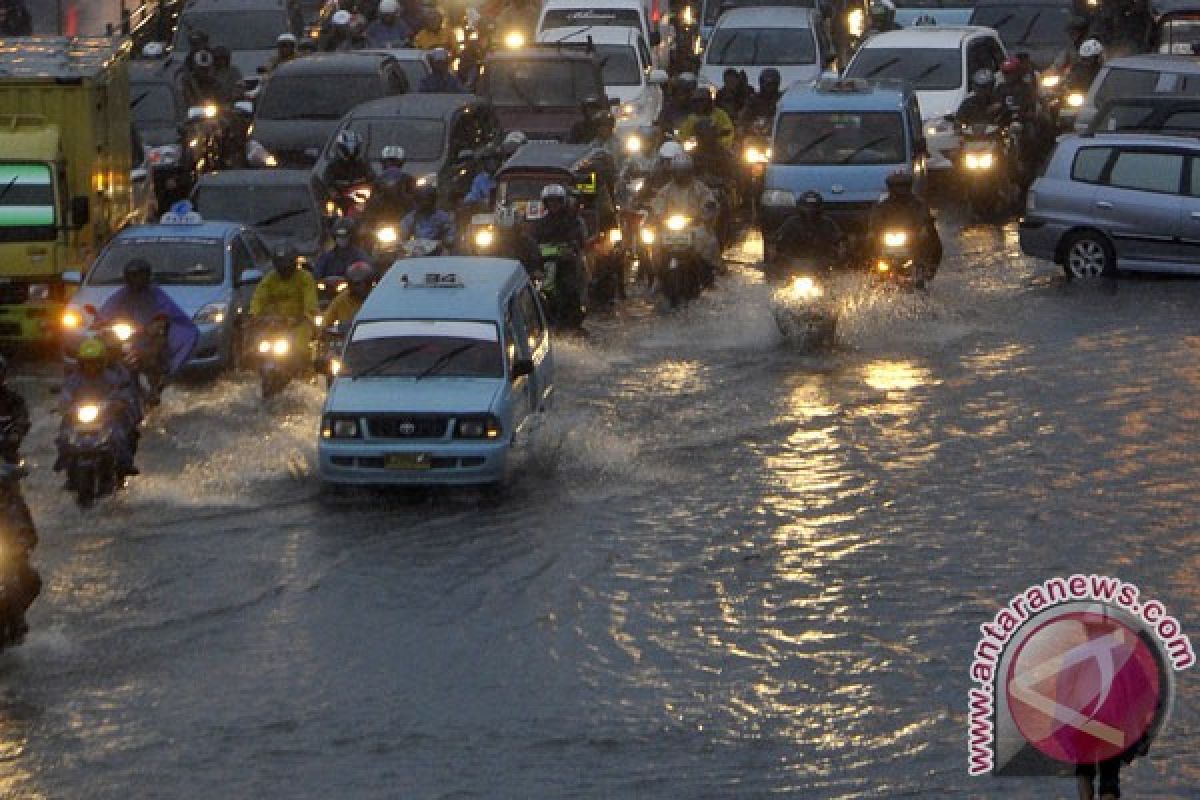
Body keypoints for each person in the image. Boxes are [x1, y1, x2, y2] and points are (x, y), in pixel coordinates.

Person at [97, 259, 200, 383]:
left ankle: (157, 380)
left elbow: (165, 310)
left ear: (146, 276)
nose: (135, 280)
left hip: (149, 334)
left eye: (138, 276)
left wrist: (157, 322)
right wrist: (100, 320)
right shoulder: (123, 293)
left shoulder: (155, 293)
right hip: (129, 333)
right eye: (132, 276)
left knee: (156, 348)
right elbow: (108, 307)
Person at [57, 338, 142, 480]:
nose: (91, 366)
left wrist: (118, 403)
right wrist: (65, 406)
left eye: (95, 361)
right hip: (78, 419)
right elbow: (65, 395)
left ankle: (125, 464)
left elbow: (122, 393)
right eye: (87, 362)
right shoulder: (74, 379)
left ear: (102, 361)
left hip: (106, 418)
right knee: (64, 434)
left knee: (118, 435)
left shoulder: (112, 378)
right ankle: (64, 459)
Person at [649, 153, 721, 279]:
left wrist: (707, 210)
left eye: (684, 172)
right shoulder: (666, 190)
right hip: (670, 229)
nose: (680, 175)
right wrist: (657, 215)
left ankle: (709, 272)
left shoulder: (700, 188)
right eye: (677, 172)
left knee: (709, 242)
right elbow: (658, 205)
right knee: (655, 244)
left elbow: (709, 202)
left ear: (690, 172)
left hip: (694, 227)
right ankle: (658, 276)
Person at [868, 170, 941, 282]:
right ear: (890, 187)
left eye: (903, 186)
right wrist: (872, 231)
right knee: (868, 245)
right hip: (887, 239)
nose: (900, 189)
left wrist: (924, 229)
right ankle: (872, 271)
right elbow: (875, 219)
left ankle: (927, 271)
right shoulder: (882, 206)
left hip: (913, 239)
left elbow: (924, 218)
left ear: (909, 186)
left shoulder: (918, 204)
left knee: (934, 243)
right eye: (896, 186)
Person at [250, 245, 319, 348]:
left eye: (287, 267)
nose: (284, 271)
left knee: (301, 349)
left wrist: (307, 314)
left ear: (294, 264)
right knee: (257, 349)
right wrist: (254, 314)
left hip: (299, 324)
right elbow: (259, 297)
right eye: (281, 268)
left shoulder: (305, 278)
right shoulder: (270, 279)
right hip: (274, 326)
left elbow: (310, 302)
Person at [773, 191, 848, 266]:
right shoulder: (791, 223)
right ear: (800, 207)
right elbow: (777, 239)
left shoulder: (827, 223)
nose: (810, 210)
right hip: (794, 264)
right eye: (807, 207)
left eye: (813, 206)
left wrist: (839, 255)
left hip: (821, 264)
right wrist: (778, 255)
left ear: (819, 207)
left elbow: (840, 240)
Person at [322, 260, 376, 330]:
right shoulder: (343, 298)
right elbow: (326, 321)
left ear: (369, 283)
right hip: (346, 338)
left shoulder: (377, 298)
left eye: (357, 284)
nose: (353, 287)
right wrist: (324, 329)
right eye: (350, 283)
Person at [321, 129, 374, 195]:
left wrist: (373, 187)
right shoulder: (332, 166)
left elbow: (373, 179)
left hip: (362, 197)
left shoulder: (363, 165)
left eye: (355, 149)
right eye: (345, 149)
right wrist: (332, 191)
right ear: (340, 148)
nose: (351, 153)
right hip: (340, 199)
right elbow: (326, 183)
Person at [0, 356, 29, 467]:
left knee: (14, 467)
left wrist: (16, 432)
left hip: (6, 445)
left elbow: (22, 417)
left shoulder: (14, 399)